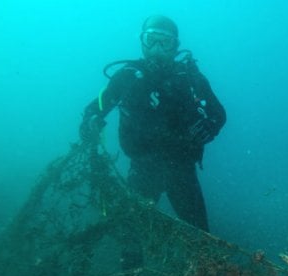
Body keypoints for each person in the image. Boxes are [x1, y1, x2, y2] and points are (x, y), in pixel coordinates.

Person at [79, 15, 226, 232]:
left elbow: (218, 114)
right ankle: (131, 264)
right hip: (142, 168)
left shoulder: (189, 76)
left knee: (200, 235)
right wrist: (90, 122)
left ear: (175, 46)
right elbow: (95, 108)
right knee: (132, 239)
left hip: (182, 168)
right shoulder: (127, 76)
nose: (157, 48)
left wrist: (209, 127)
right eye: (151, 40)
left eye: (164, 42)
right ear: (142, 42)